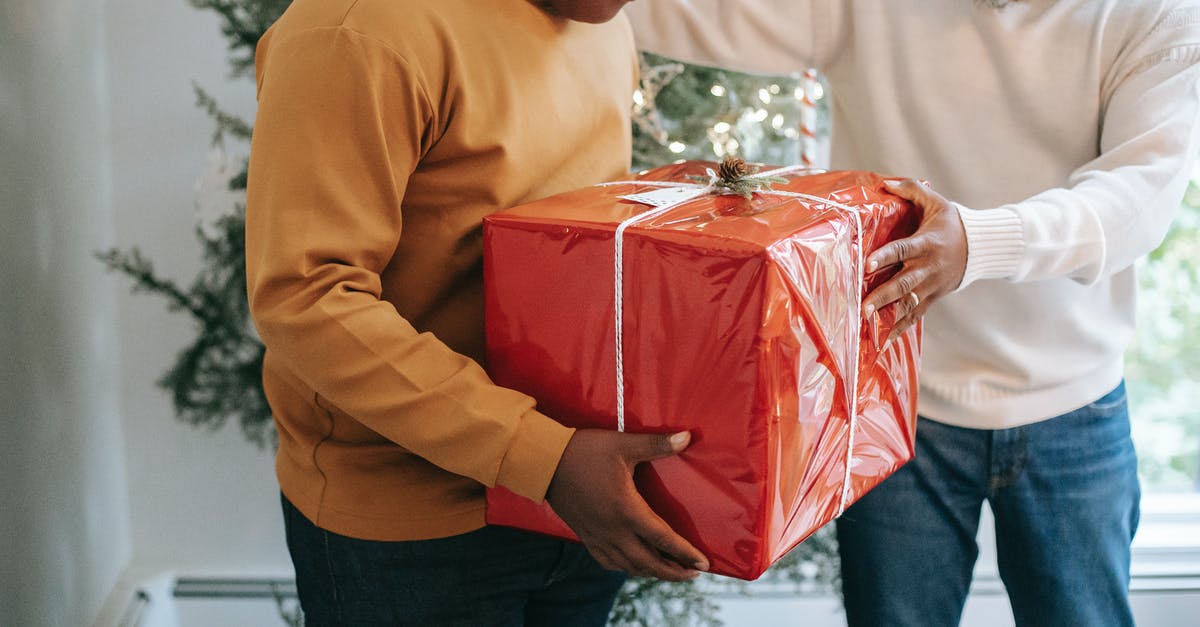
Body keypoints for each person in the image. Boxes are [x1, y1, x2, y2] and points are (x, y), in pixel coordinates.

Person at [626, 0, 1200, 625]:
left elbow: (1139, 199)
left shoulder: (1156, 15)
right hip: (895, 400)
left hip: (1073, 404)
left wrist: (979, 243)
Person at [244, 0, 709, 624]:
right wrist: (542, 456)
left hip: (580, 497)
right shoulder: (358, 32)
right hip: (413, 530)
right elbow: (307, 298)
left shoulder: (605, 25)